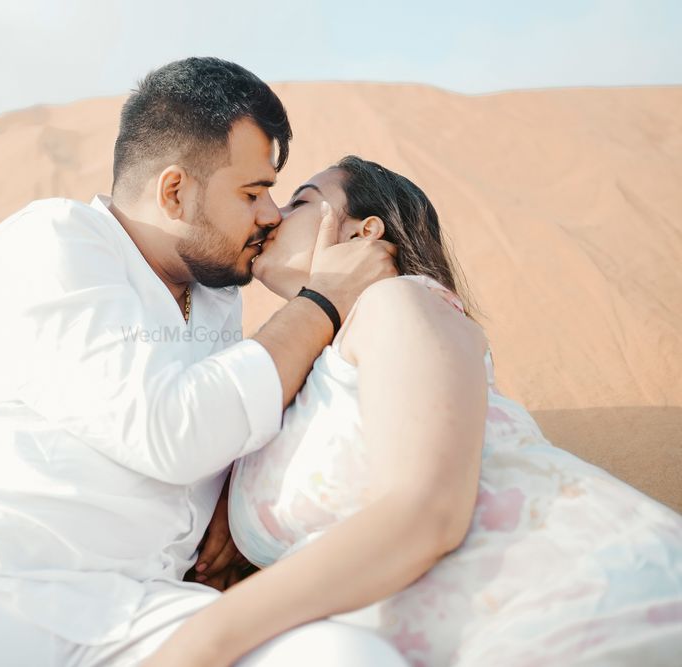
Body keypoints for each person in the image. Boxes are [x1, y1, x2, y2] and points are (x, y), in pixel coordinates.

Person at [0, 59, 405, 666]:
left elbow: (220, 416)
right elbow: (172, 429)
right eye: (253, 192)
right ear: (176, 191)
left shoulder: (216, 298)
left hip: (138, 614)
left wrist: (229, 493)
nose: (270, 214)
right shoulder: (52, 241)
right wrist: (324, 301)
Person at [143, 156, 682, 667]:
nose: (270, 216)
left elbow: (424, 512)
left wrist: (199, 644)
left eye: (300, 202)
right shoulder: (306, 384)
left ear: (364, 232)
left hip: (578, 603)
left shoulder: (398, 301)